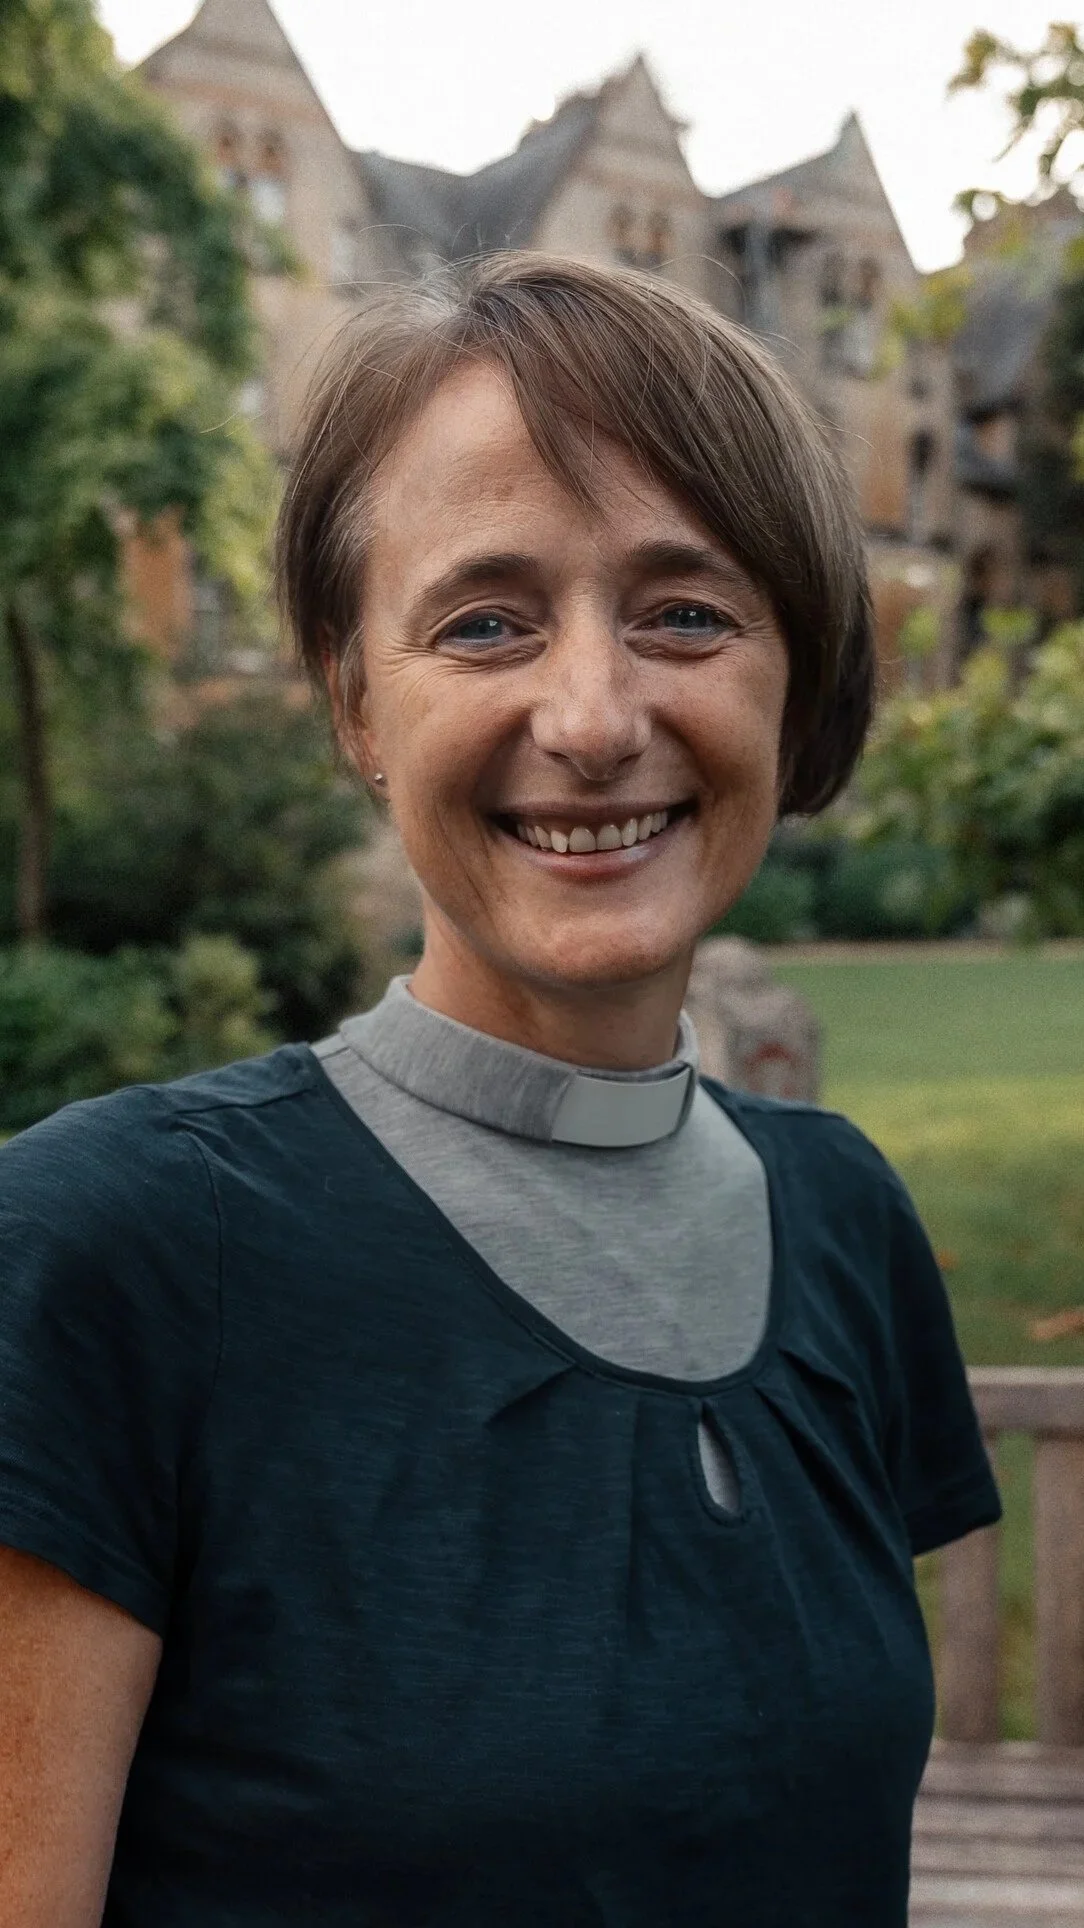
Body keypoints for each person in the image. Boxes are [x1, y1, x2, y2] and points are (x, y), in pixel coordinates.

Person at [0, 255, 1000, 1927]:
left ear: (794, 673)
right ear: (352, 699)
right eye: (487, 621)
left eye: (687, 610)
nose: (597, 717)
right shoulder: (106, 1254)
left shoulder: (844, 1224)